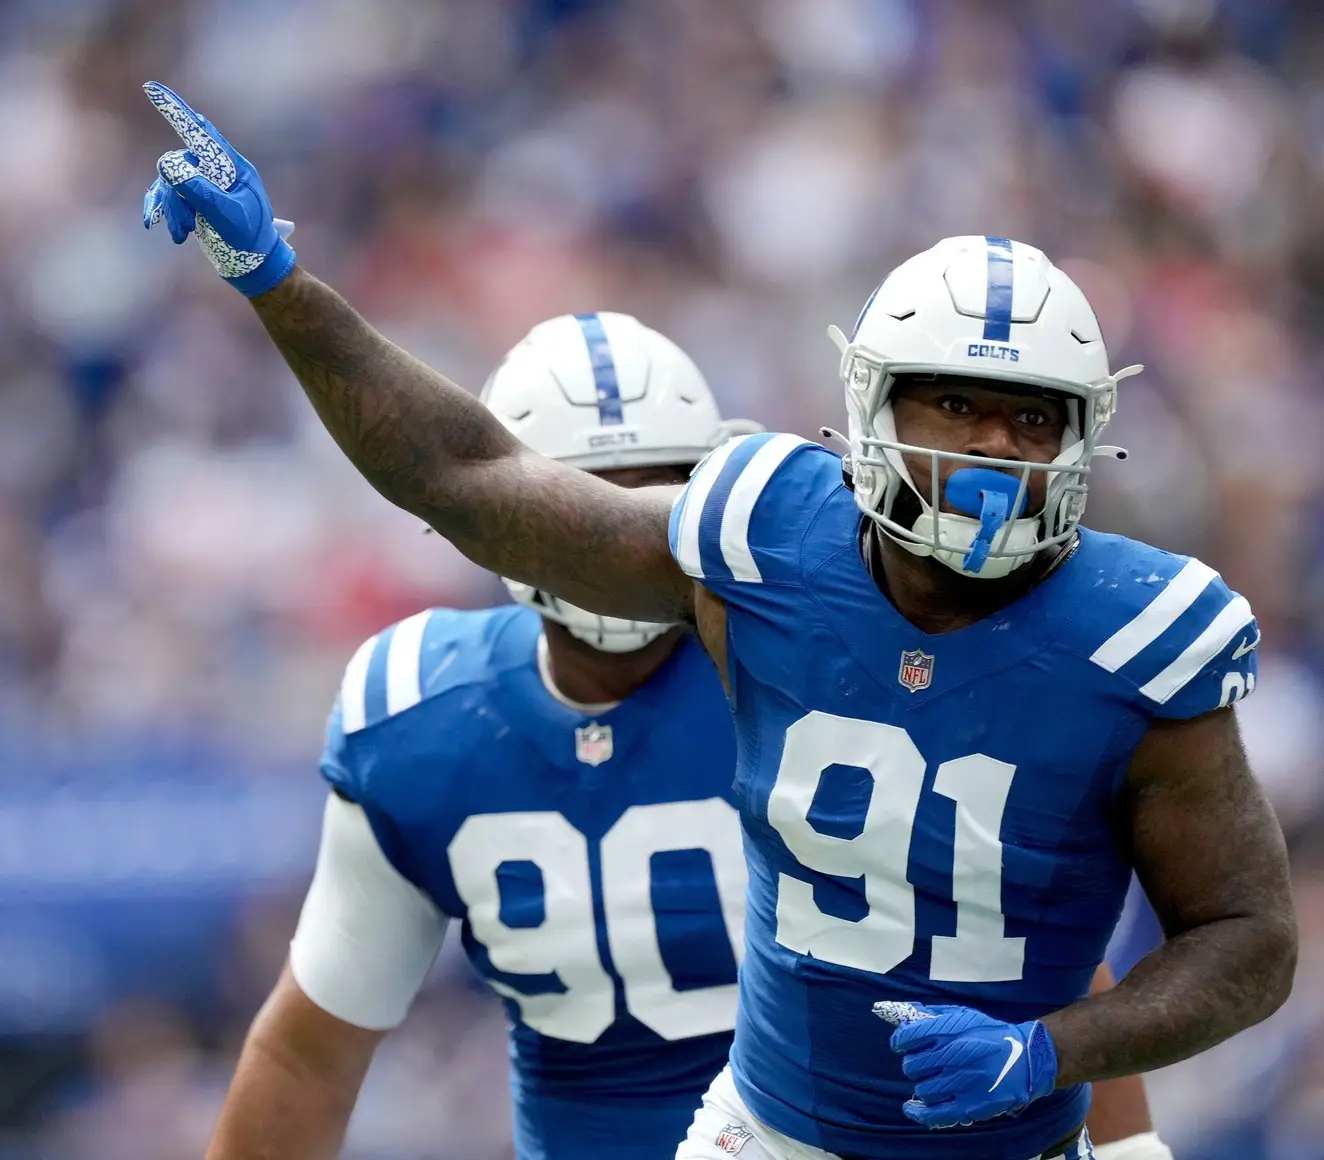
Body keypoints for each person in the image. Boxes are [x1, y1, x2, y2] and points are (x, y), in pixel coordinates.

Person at [144, 84, 1294, 1160]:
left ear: (1082, 436)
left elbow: (1196, 930)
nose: (993, 448)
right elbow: (462, 471)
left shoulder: (1129, 633)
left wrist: (1064, 1061)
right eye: (956, 403)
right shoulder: (753, 562)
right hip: (769, 1131)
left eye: (1031, 418)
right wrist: (276, 279)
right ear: (873, 406)